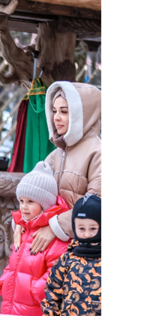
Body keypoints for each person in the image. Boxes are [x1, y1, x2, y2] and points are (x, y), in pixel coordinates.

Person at [28, 82, 102, 255]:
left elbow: (96, 203)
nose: (56, 117)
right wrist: (21, 222)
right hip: (53, 248)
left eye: (64, 111)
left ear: (82, 115)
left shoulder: (97, 152)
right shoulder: (56, 153)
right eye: (54, 111)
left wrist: (54, 228)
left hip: (84, 250)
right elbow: (32, 192)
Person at [0, 162, 70, 316]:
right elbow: (14, 263)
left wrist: (35, 290)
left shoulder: (52, 236)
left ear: (45, 204)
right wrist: (4, 281)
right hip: (11, 304)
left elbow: (56, 270)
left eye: (31, 202)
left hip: (34, 311)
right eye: (21, 201)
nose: (24, 207)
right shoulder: (23, 230)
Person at [42, 194, 102, 316]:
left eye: (93, 228)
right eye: (81, 228)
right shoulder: (67, 259)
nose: (86, 234)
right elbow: (53, 293)